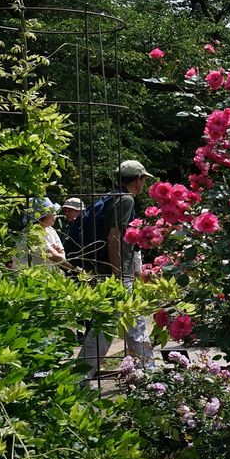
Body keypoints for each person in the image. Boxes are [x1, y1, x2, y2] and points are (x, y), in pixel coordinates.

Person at [82, 160, 156, 373]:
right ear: (137, 180)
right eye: (143, 179)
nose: (144, 184)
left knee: (128, 323)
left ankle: (146, 373)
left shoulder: (111, 197)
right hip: (116, 273)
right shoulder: (125, 200)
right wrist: (117, 274)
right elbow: (114, 237)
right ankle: (79, 377)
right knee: (107, 327)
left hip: (108, 270)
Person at [16, 197, 73, 273]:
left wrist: (59, 253)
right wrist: (76, 270)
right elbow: (55, 257)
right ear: (42, 217)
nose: (55, 215)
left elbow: (61, 254)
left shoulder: (51, 230)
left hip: (50, 276)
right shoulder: (31, 233)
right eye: (51, 212)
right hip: (33, 277)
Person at [60, 196, 84, 265]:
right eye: (65, 211)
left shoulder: (84, 226)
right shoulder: (69, 226)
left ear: (80, 211)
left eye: (70, 211)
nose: (66, 214)